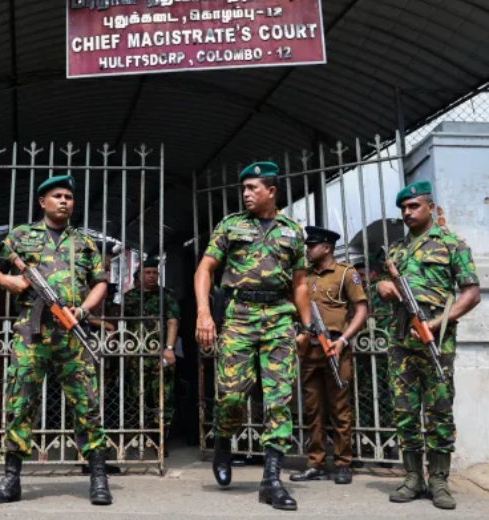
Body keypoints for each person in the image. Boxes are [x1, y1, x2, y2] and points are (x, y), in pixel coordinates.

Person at [0, 174, 112, 506]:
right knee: (20, 402)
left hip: (71, 334)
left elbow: (100, 282)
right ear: (43, 202)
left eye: (69, 196)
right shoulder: (20, 236)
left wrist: (83, 311)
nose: (64, 201)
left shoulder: (84, 242)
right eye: (57, 196)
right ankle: (11, 478)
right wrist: (11, 282)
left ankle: (98, 477)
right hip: (31, 334)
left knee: (87, 404)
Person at [194, 161, 311, 511]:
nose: (246, 193)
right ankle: (223, 445)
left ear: (271, 192)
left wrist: (306, 327)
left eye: (253, 188)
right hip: (238, 317)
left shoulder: (293, 231)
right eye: (243, 188)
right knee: (231, 396)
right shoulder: (231, 226)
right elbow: (205, 269)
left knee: (278, 398)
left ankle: (271, 480)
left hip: (278, 318)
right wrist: (203, 313)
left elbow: (301, 284)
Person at [376, 181, 480, 510]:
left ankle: (438, 481)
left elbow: (471, 293)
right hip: (400, 343)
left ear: (430, 207)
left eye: (413, 206)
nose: (407, 212)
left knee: (438, 411)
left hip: (437, 341)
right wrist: (382, 286)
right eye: (403, 208)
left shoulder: (452, 244)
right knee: (405, 411)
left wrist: (439, 323)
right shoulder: (395, 251)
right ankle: (412, 478)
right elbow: (380, 290)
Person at [290, 226, 368, 485]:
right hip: (310, 350)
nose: (308, 250)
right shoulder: (303, 277)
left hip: (336, 349)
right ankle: (316, 463)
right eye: (308, 245)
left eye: (313, 245)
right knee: (312, 410)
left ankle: (343, 463)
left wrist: (344, 340)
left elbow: (361, 311)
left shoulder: (346, 273)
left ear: (327, 247)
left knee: (339, 409)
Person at [123, 259, 180, 455]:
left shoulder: (167, 296)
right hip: (135, 355)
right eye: (147, 272)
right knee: (135, 396)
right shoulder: (130, 298)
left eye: (155, 272)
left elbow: (173, 322)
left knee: (163, 397)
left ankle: (160, 440)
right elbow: (122, 324)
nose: (151, 276)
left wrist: (169, 348)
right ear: (139, 275)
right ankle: (136, 436)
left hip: (159, 355)